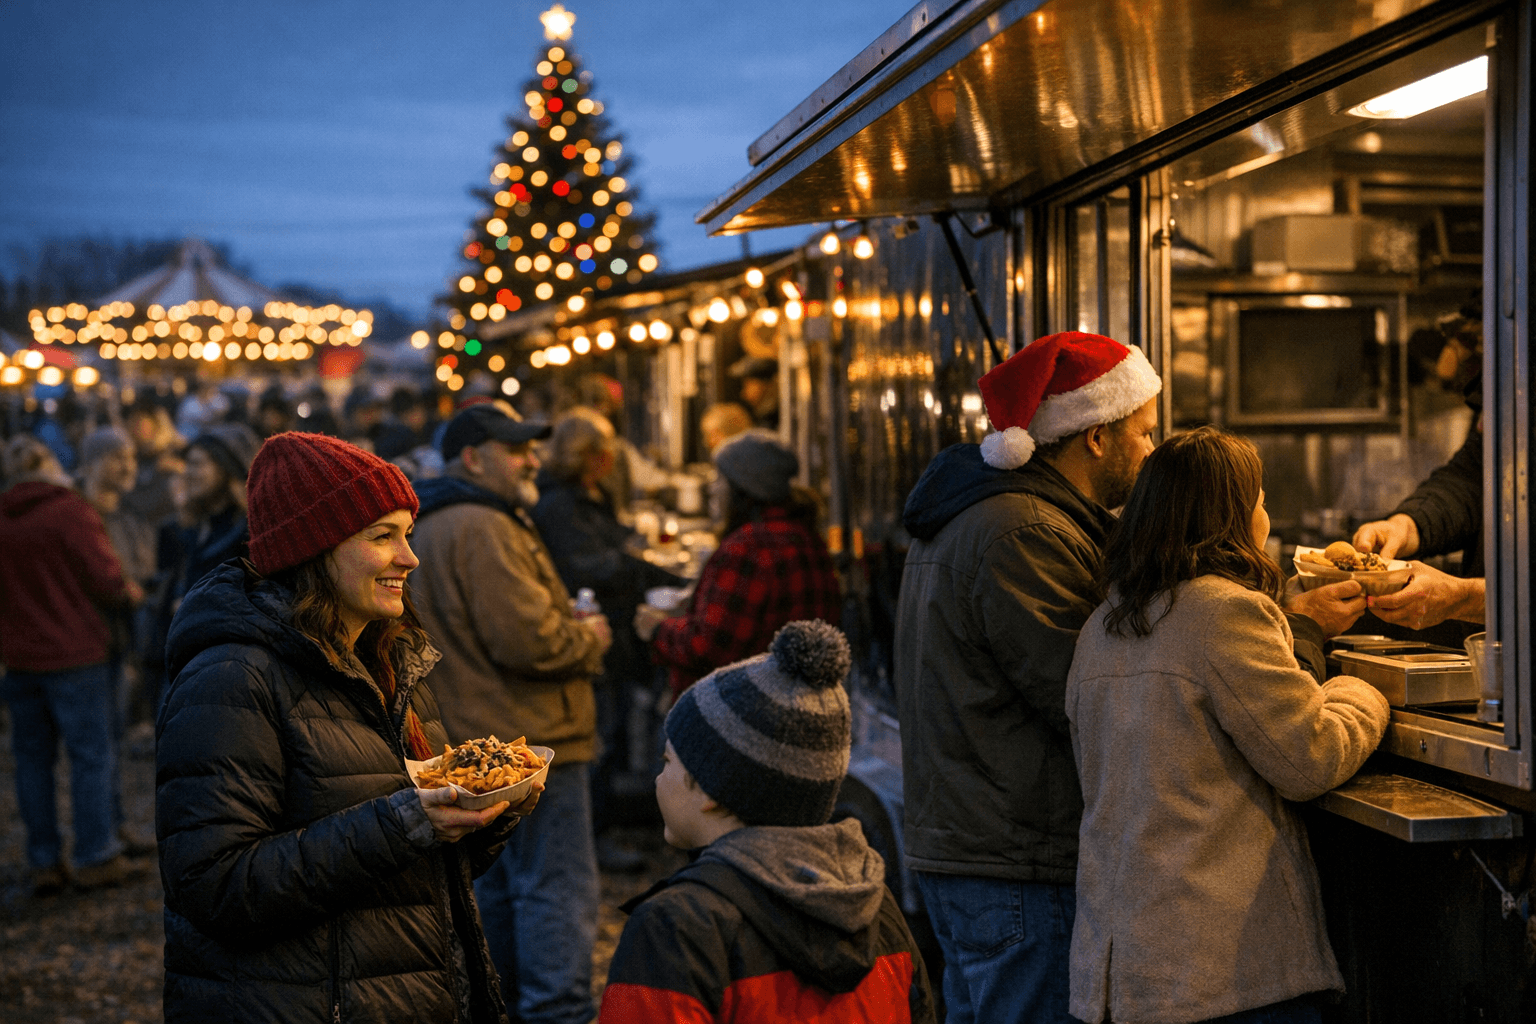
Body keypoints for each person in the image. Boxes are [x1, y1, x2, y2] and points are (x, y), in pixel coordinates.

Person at [891, 331, 1360, 1024]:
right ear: (1096, 438)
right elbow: (1105, 701)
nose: (1151, 451)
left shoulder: (996, 514)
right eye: (1142, 434)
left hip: (980, 852)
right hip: (1020, 860)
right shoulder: (1025, 533)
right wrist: (1297, 637)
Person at [156, 431, 538, 1022]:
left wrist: (483, 817)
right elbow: (215, 887)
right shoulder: (231, 677)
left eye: (406, 534)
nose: (410, 558)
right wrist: (405, 822)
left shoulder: (391, 662)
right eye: (381, 537)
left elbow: (413, 882)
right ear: (312, 549)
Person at [1065, 427, 1390, 1024]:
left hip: (1120, 973)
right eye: (1260, 500)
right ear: (1231, 516)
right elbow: (1309, 755)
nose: (1266, 514)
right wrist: (1363, 692)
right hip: (1219, 977)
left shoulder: (1101, 629)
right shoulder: (1225, 613)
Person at [599, 620, 937, 1023]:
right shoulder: (878, 911)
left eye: (668, 762)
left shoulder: (674, 930)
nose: (658, 778)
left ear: (709, 790)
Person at [410, 403, 613, 1024]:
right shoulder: (484, 525)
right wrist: (592, 637)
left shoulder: (434, 520)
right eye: (517, 449)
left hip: (473, 741)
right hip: (529, 747)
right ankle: (558, 1012)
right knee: (555, 889)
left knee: (495, 888)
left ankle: (502, 1008)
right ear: (473, 458)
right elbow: (530, 641)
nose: (532, 460)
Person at [529, 407, 686, 871]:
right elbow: (587, 564)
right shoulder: (559, 505)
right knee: (599, 734)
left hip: (609, 632)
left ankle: (600, 833)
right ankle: (592, 841)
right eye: (604, 452)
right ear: (588, 456)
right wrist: (648, 566)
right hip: (592, 629)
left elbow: (608, 540)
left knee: (610, 730)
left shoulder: (582, 495)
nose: (611, 461)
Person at [0, 435, 145, 894]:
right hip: (78, 654)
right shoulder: (69, 510)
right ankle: (95, 852)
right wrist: (131, 592)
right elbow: (105, 578)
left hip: (21, 659)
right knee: (91, 755)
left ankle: (44, 860)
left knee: (32, 762)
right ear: (49, 466)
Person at [636, 429, 841, 696]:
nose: (714, 488)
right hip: (796, 706)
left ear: (743, 489)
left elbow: (707, 647)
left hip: (740, 716)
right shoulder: (806, 536)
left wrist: (657, 629)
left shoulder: (749, 546)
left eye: (721, 479)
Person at [1353, 307, 1487, 633]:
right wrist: (1405, 525)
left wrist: (1465, 597)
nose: (1482, 424)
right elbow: (1465, 481)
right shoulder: (1503, 419)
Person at [144, 422, 260, 704]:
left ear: (226, 468)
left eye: (198, 465)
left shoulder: (248, 534)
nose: (189, 474)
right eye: (188, 465)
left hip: (221, 668)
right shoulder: (190, 527)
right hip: (181, 658)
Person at [729, 355, 780, 429]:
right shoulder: (761, 418)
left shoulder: (783, 415)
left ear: (766, 384)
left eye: (748, 385)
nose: (744, 394)